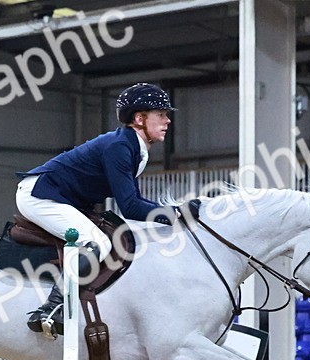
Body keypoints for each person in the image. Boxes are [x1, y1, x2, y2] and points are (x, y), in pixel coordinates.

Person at [17, 82, 198, 338]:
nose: (168, 120)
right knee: (96, 242)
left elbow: (132, 202)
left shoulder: (134, 147)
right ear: (139, 118)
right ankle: (52, 307)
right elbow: (131, 206)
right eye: (161, 114)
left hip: (62, 198)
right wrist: (176, 213)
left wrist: (174, 213)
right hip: (41, 195)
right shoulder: (120, 147)